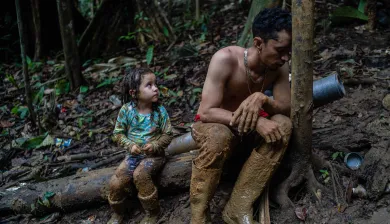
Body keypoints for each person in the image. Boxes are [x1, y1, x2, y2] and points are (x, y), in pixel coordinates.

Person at [190, 8, 293, 224]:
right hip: (216, 124)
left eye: (288, 51)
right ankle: (199, 216)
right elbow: (205, 111)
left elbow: (284, 107)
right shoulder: (225, 59)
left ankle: (238, 207)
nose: (285, 57)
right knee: (219, 136)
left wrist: (262, 99)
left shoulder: (279, 67)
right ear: (258, 43)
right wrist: (255, 120)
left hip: (245, 132)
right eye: (280, 50)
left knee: (283, 125)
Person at [108, 67, 173, 224]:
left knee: (140, 175)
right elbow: (117, 134)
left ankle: (152, 212)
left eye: (155, 84)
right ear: (133, 93)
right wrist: (130, 145)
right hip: (133, 156)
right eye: (149, 85)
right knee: (116, 183)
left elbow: (168, 135)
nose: (156, 88)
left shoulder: (159, 112)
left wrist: (156, 144)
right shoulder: (126, 110)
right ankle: (118, 213)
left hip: (154, 156)